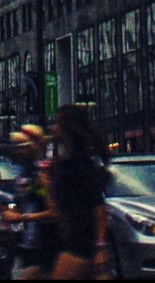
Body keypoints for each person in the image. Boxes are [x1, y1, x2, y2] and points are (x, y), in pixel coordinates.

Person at [46, 105, 109, 280]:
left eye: (56, 123)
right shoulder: (70, 161)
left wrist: (100, 247)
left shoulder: (76, 164)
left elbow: (98, 206)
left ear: (67, 127)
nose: (52, 128)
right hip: (75, 238)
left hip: (81, 240)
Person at [0, 124, 58, 281]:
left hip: (46, 246)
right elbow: (26, 207)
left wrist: (22, 218)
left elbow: (53, 213)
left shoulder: (42, 175)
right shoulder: (25, 172)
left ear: (33, 148)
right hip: (29, 246)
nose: (17, 151)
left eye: (22, 147)